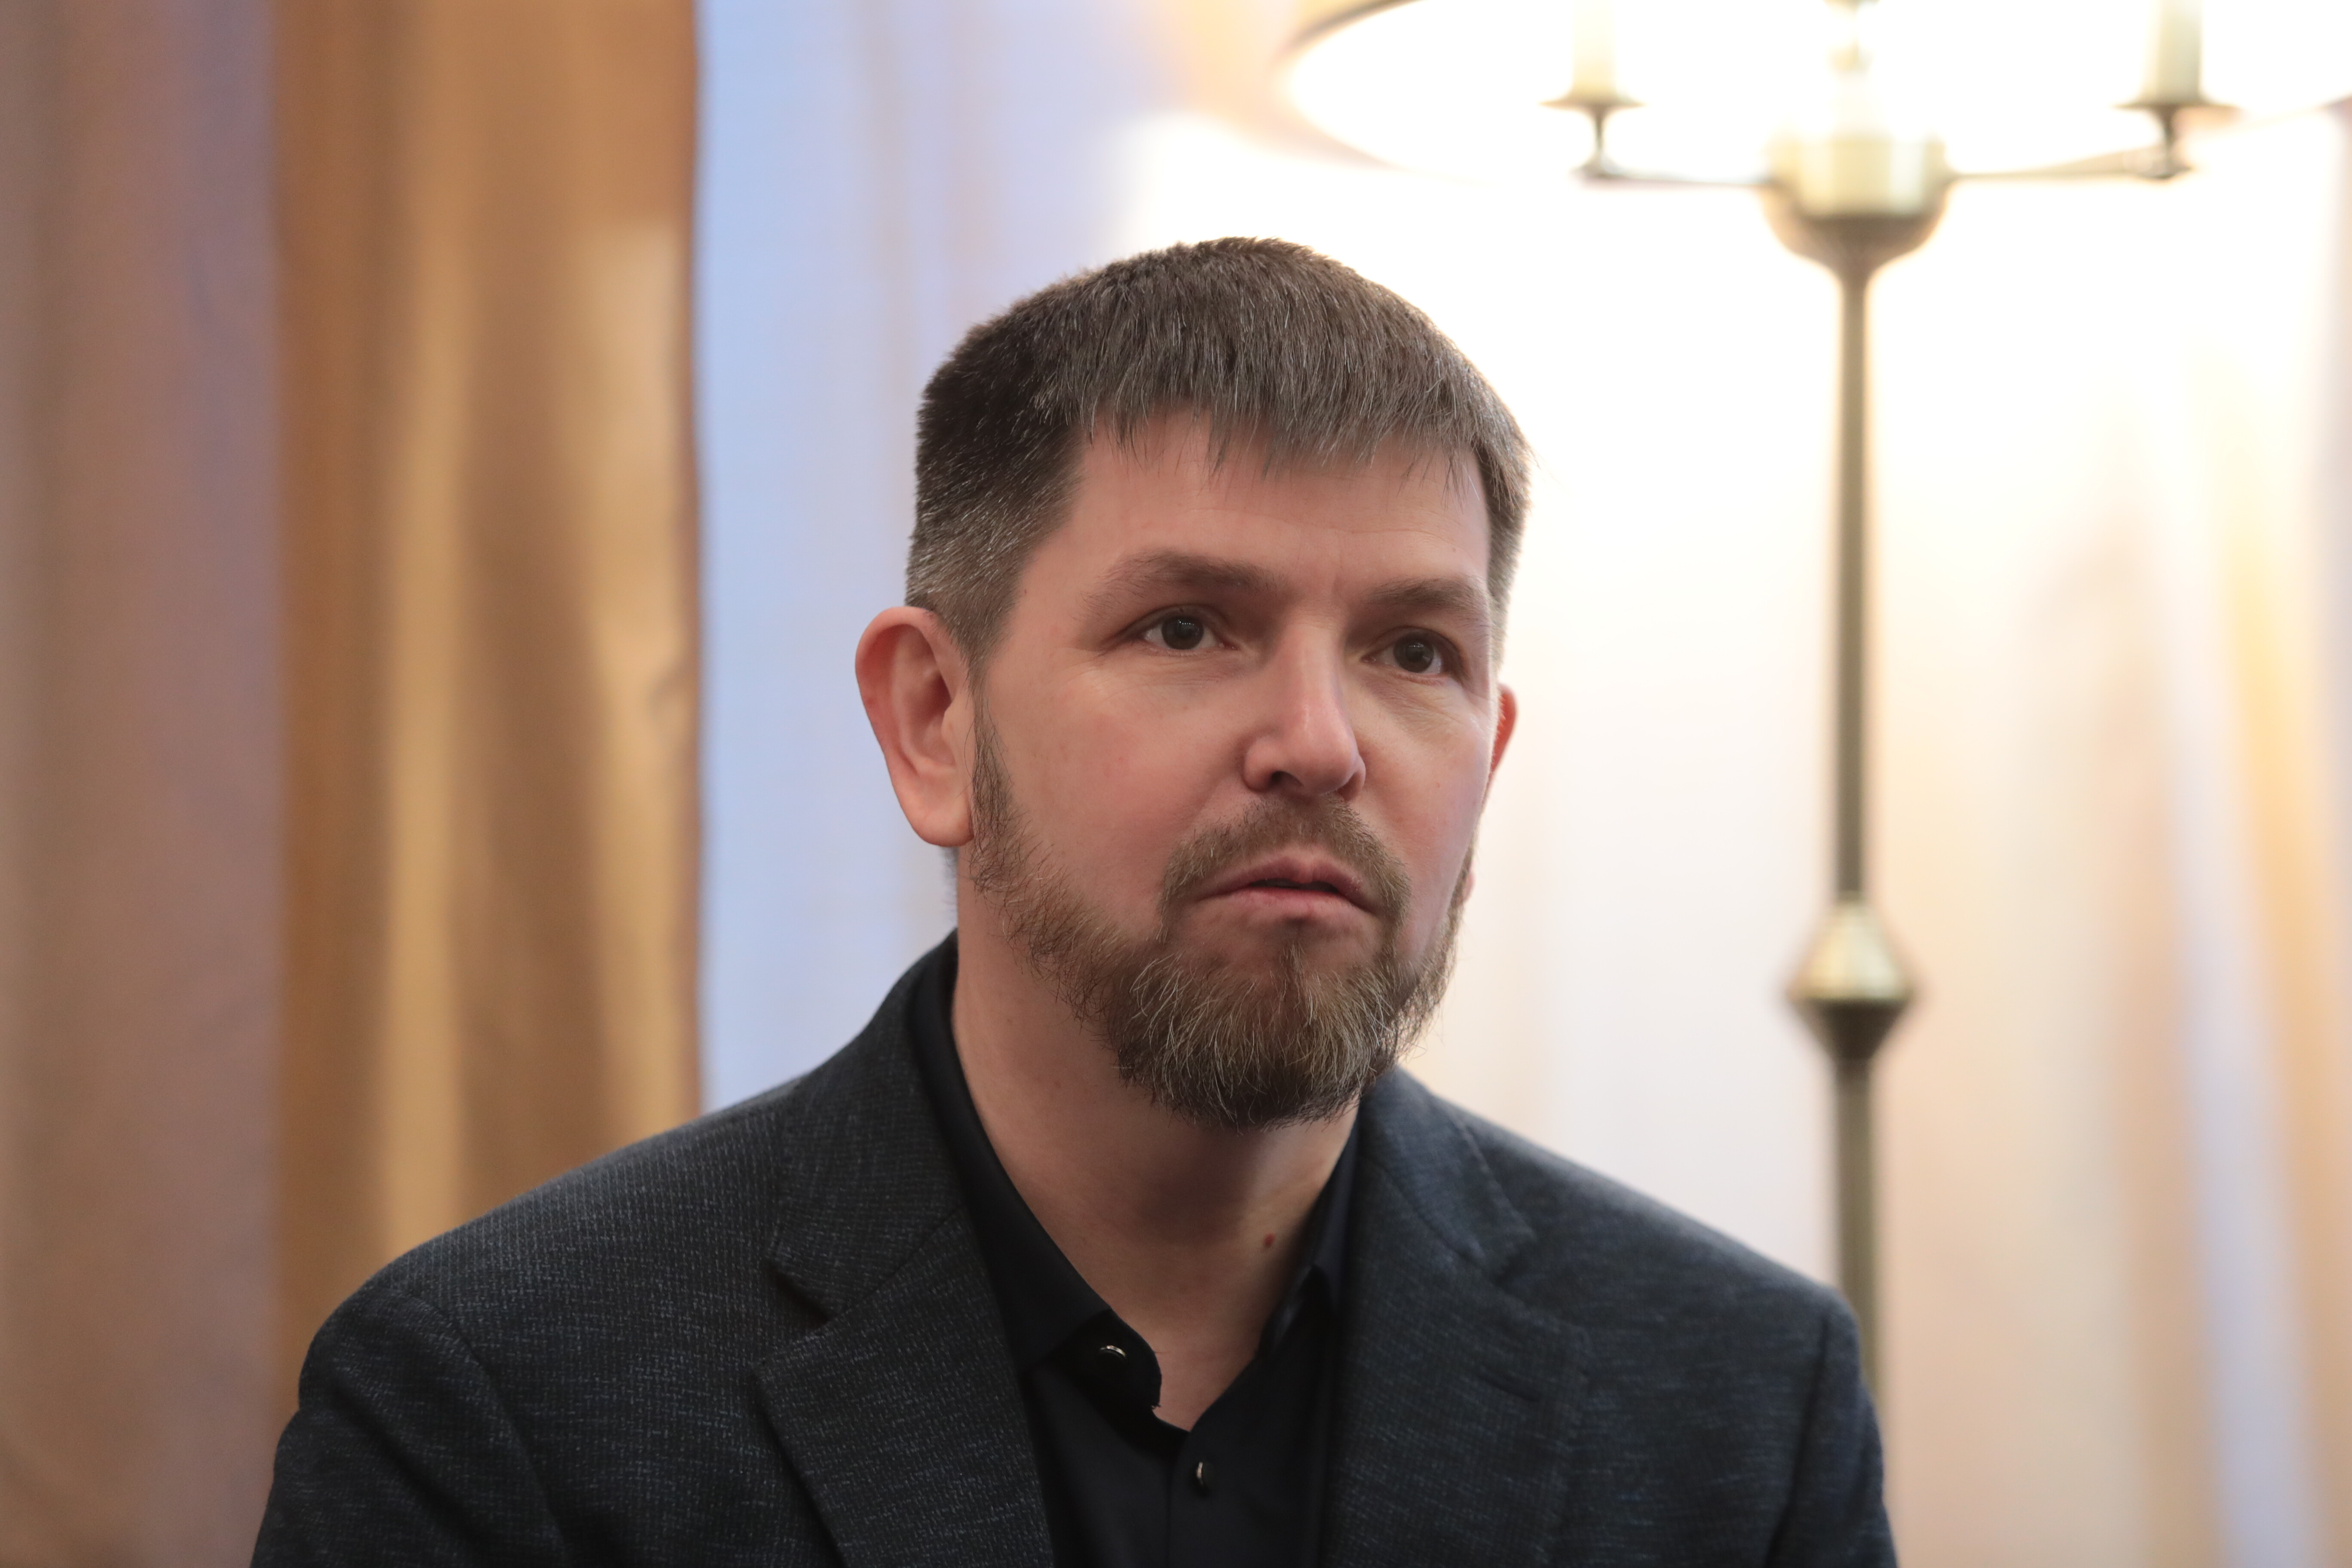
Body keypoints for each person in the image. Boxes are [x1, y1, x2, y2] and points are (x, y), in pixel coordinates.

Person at [254, 238, 1894, 1566]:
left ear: (1491, 751)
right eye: (1188, 628)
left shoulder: (1741, 1410)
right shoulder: (502, 1404)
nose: (1321, 744)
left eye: (1415, 652)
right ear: (935, 723)